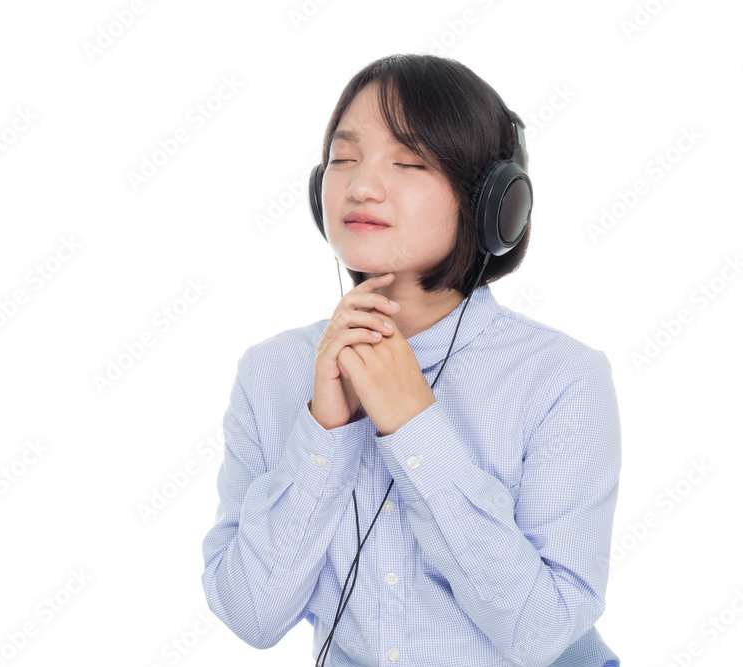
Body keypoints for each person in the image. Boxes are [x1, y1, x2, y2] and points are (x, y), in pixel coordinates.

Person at [200, 53, 621, 667]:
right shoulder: (273, 371)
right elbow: (252, 615)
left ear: (493, 204)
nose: (361, 186)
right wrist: (323, 433)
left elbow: (543, 634)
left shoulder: (561, 378)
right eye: (344, 159)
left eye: (409, 161)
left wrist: (416, 427)